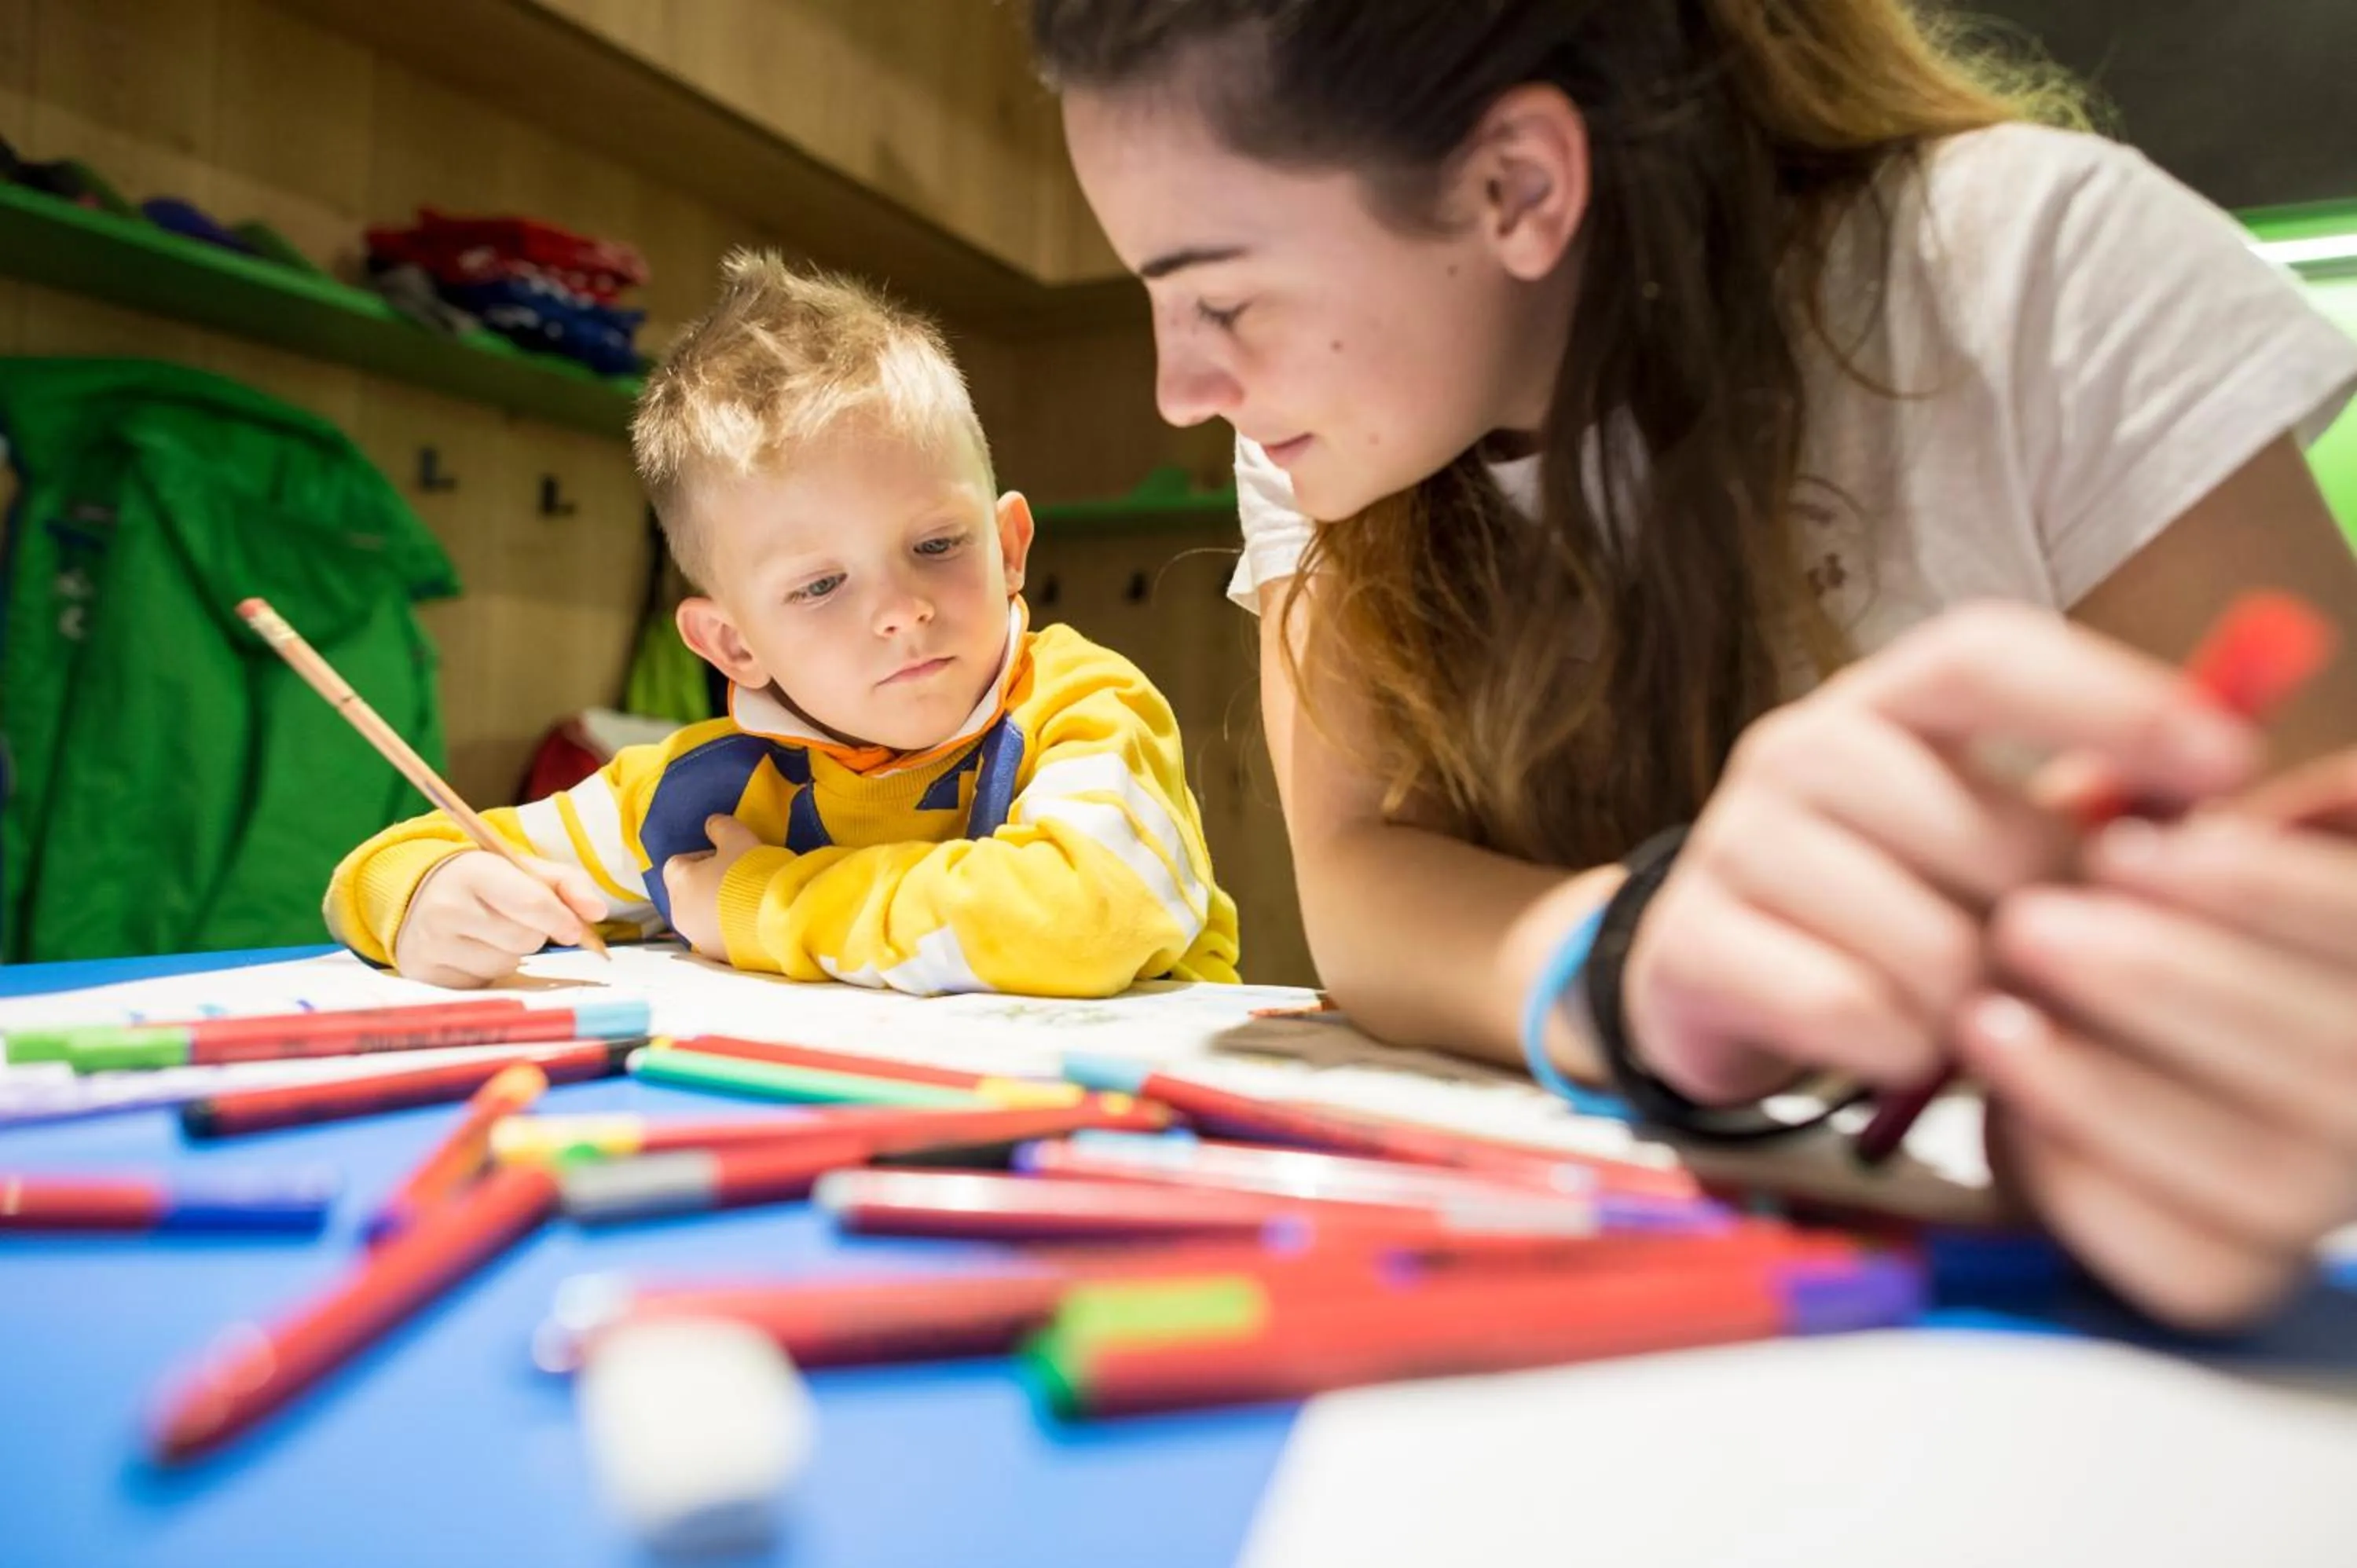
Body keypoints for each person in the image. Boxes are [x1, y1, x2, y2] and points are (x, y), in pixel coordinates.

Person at [1033, 0, 2357, 1327]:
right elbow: (1357, 873)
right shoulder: (1327, 429)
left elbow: (2320, 924)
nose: (1180, 388)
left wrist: (2218, 1094)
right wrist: (1625, 964)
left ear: (1518, 187)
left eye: (1218, 296)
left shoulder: (2032, 271)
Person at [325, 253, 1241, 998]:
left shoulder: (1084, 707)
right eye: (820, 585)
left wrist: (757, 903)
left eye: (935, 543)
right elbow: (400, 858)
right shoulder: (701, 792)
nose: (899, 609)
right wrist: (427, 900)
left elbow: (1082, 918)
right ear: (734, 645)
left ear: (1009, 546)